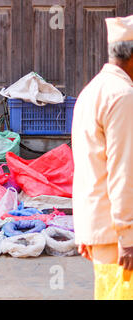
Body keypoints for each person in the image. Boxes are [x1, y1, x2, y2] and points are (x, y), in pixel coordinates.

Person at [72, 15, 133, 299]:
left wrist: (84, 229)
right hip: (118, 237)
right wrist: (129, 236)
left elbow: (84, 167)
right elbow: (123, 172)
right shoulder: (122, 96)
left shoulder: (92, 90)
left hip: (101, 230)